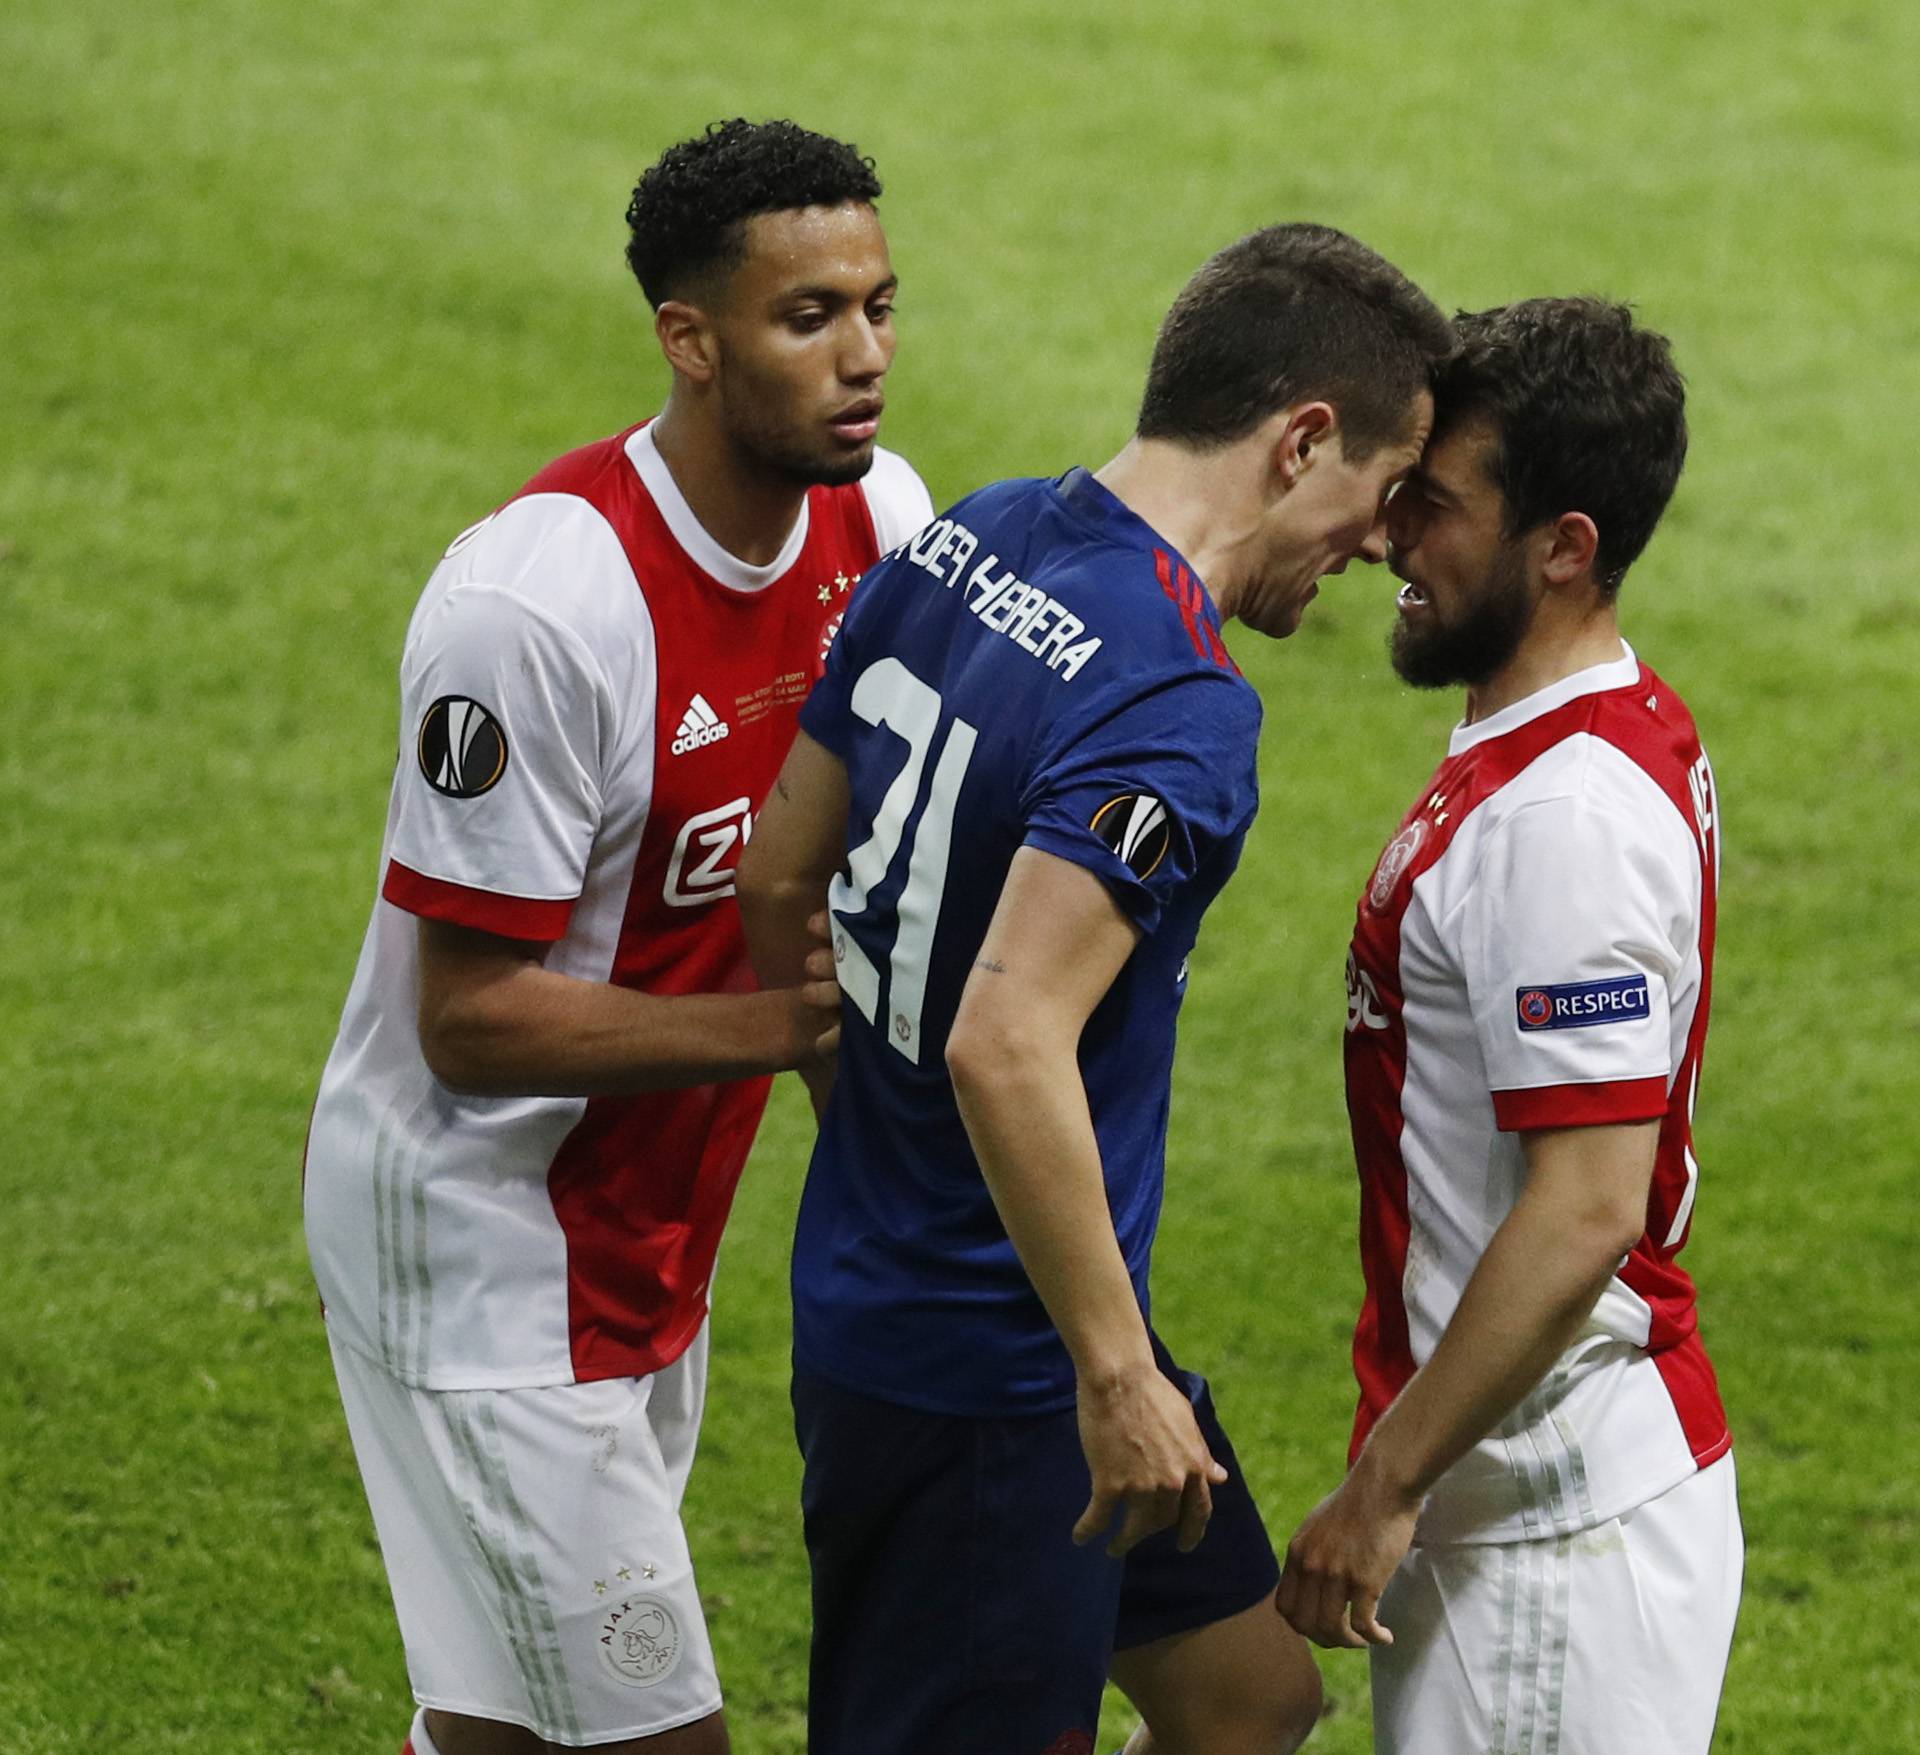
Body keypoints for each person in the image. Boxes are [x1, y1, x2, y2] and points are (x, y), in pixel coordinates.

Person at [737, 223, 1452, 1755]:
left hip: (914, 1290)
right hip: (1001, 1380)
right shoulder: (1177, 700)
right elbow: (1007, 1037)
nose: (1383, 544)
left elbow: (780, 872)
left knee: (1248, 1703)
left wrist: (875, 1120)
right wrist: (1114, 1378)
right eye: (1383, 494)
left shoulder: (969, 536)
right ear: (1302, 440)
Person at [303, 118, 933, 1755]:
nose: (863, 357)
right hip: (480, 1247)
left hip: (650, 1224)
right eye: (810, 320)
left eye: (879, 306)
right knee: (653, 1732)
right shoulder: (538, 609)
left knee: (509, 1723)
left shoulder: (883, 530)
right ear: (692, 341)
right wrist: (793, 1026)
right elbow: (471, 1019)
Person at [1277, 298, 1741, 1753]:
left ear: (1566, 545)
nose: (1392, 533)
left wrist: (1383, 1488)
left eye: (1437, 503)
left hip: (1556, 1545)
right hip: (1523, 1511)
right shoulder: (1556, 738)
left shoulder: (1565, 820)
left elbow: (1587, 1206)